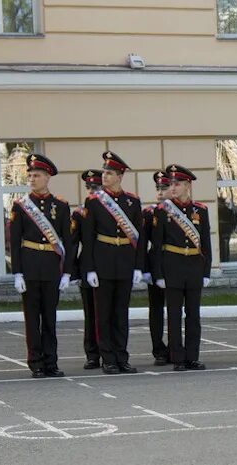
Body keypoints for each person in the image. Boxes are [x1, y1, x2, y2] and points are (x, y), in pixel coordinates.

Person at [10, 154, 72, 378]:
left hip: (51, 268)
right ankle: (35, 362)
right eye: (30, 175)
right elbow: (14, 243)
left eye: (36, 175)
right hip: (29, 267)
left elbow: (68, 241)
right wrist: (17, 272)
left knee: (50, 318)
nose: (32, 179)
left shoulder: (61, 206)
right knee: (32, 319)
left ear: (47, 177)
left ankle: (51, 362)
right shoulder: (20, 206)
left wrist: (67, 272)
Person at [82, 151, 142, 375]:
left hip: (125, 261)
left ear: (120, 175)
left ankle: (121, 356)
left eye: (109, 173)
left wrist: (138, 266)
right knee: (103, 314)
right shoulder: (94, 202)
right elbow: (87, 238)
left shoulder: (132, 201)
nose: (104, 176)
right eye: (105, 172)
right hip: (103, 261)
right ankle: (107, 358)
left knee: (121, 314)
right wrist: (89, 268)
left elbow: (139, 236)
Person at [151, 164, 212, 372]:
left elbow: (206, 243)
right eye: (172, 184)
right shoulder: (162, 211)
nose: (173, 187)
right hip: (172, 266)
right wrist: (158, 274)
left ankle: (192, 356)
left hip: (194, 266)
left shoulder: (201, 211)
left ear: (188, 185)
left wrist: (206, 271)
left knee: (193, 315)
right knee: (174, 315)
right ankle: (177, 357)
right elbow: (157, 245)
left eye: (178, 183)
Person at [71, 169, 103, 369]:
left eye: (96, 187)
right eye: (89, 187)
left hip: (107, 264)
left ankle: (110, 351)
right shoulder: (79, 212)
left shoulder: (110, 209)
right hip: (86, 266)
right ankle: (92, 354)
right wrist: (73, 272)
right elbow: (74, 243)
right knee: (91, 313)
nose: (92, 191)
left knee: (108, 313)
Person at [145, 170, 172, 366]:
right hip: (156, 265)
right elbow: (143, 244)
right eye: (158, 188)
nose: (160, 192)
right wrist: (145, 269)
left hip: (177, 266)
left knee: (174, 310)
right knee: (156, 310)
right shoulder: (149, 213)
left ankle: (175, 347)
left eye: (164, 188)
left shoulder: (184, 211)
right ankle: (158, 349)